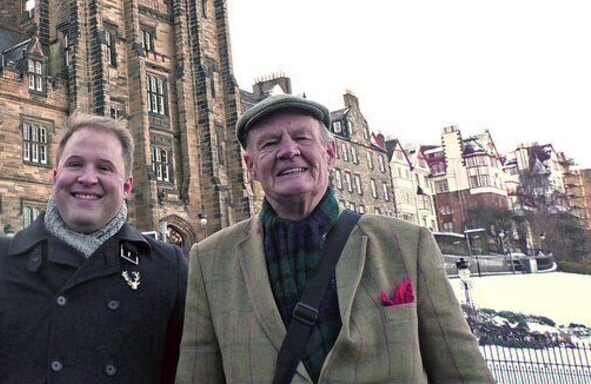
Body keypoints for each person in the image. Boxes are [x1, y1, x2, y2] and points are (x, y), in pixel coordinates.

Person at [176, 94, 493, 383]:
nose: (289, 150)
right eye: (270, 143)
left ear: (329, 153)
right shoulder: (210, 260)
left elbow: (463, 372)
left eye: (302, 137)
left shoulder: (407, 244)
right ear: (250, 167)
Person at [0, 113, 188, 383]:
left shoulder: (167, 267)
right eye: (75, 164)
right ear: (55, 177)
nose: (88, 178)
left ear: (126, 186)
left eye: (104, 168)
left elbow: (190, 372)